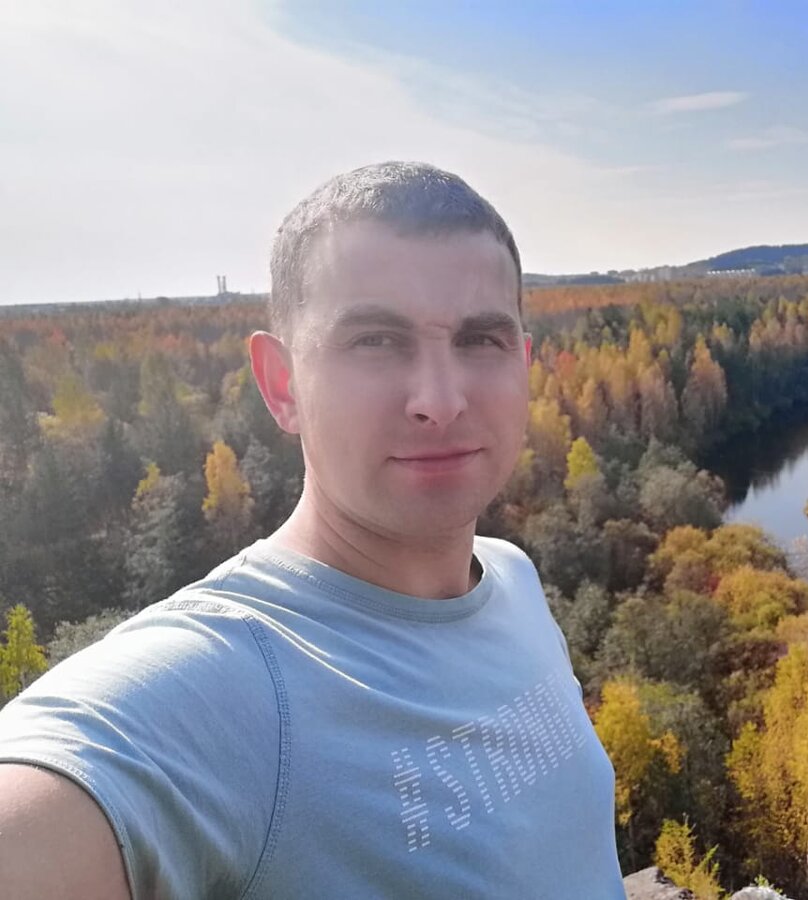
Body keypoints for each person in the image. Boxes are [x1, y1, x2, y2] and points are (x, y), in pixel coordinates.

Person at [0, 162, 626, 899]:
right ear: (282, 383)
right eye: (375, 340)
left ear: (522, 364)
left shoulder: (511, 578)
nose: (441, 399)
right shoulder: (230, 681)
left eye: (481, 339)